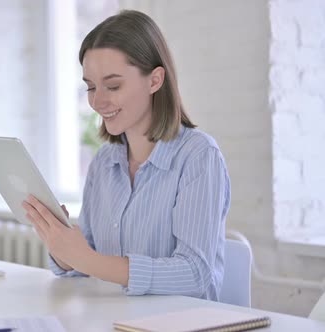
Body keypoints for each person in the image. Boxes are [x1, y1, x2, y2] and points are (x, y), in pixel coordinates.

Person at [22, 10, 230, 301]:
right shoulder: (104, 162)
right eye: (91, 87)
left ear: (155, 80)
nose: (97, 101)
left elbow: (195, 275)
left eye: (113, 86)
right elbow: (88, 261)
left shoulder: (198, 157)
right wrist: (64, 249)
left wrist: (87, 259)